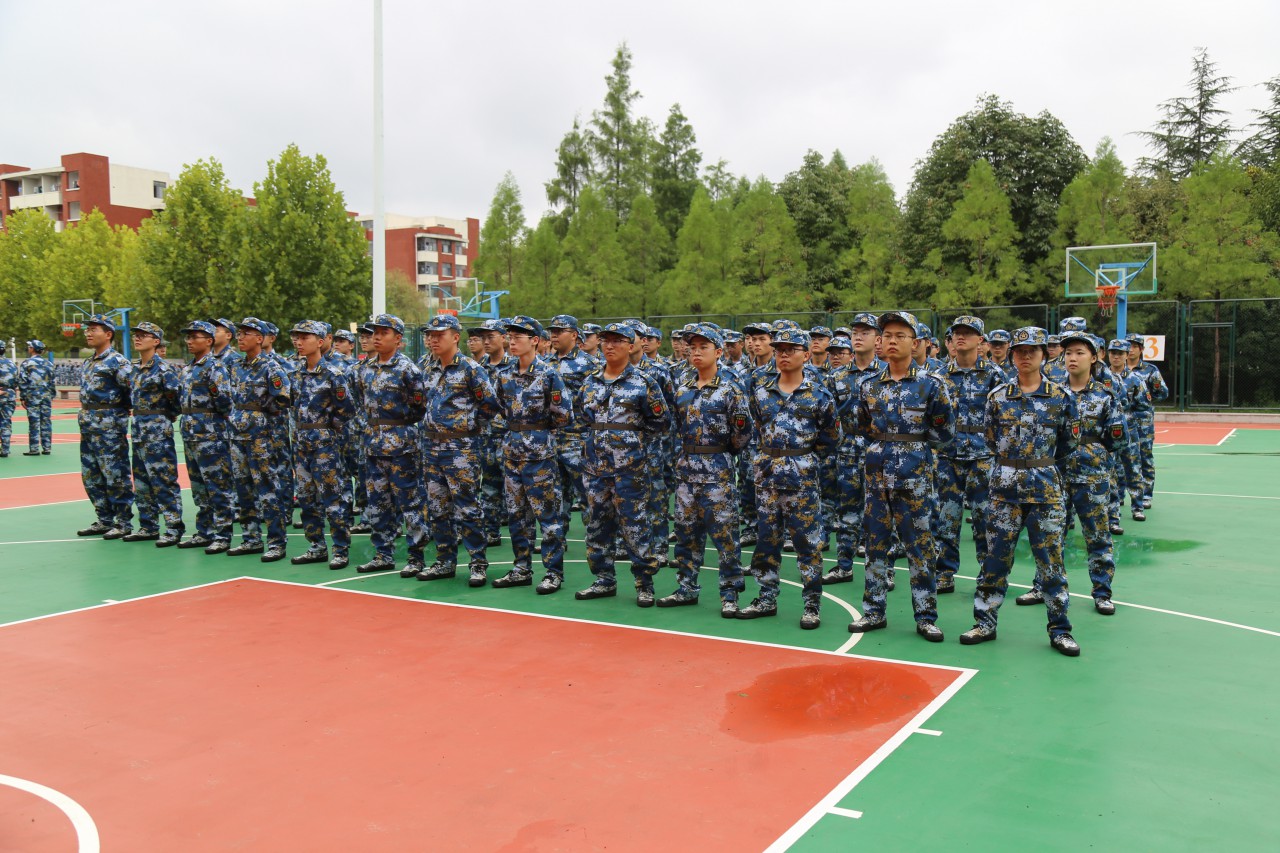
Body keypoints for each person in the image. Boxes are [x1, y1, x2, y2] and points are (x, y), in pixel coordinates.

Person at [960, 327, 1082, 657]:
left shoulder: (1060, 397)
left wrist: (1037, 464)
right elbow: (989, 439)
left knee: (1051, 564)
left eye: (1033, 350)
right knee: (994, 561)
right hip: (1004, 491)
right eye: (1020, 351)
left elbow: (1069, 443)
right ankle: (984, 623)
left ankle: (1060, 630)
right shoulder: (998, 396)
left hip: (1045, 490)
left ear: (1044, 355)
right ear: (1013, 355)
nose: (1025, 356)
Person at [847, 311, 953, 642]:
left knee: (920, 546)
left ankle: (926, 616)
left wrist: (912, 450)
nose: (892, 341)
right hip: (877, 476)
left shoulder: (931, 385)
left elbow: (944, 431)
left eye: (900, 335)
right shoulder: (868, 385)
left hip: (915, 476)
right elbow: (863, 426)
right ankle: (873, 611)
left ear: (916, 342)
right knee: (875, 544)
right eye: (888, 335)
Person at [1017, 332, 1124, 615]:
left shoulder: (1105, 396)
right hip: (1056, 475)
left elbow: (1117, 439)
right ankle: (1042, 586)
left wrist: (1092, 452)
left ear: (1094, 357)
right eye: (1068, 353)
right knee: (1049, 536)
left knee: (1097, 536)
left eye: (1079, 352)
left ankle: (1102, 592)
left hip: (1092, 476)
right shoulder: (1051, 393)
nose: (1072, 358)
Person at [742, 324, 841, 629]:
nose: (783, 355)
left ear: (806, 355)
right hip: (767, 477)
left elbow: (831, 438)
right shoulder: (761, 392)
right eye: (779, 350)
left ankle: (812, 604)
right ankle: (766, 597)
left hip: (802, 478)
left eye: (791, 350)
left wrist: (802, 457)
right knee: (767, 540)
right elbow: (756, 428)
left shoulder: (819, 395)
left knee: (807, 543)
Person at [575, 322, 672, 606]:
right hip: (595, 468)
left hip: (630, 469)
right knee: (597, 525)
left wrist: (631, 445)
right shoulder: (590, 381)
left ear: (631, 346)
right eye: (606, 340)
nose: (610, 345)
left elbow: (660, 422)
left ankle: (644, 583)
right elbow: (581, 417)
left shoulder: (644, 382)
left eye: (617, 341)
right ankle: (603, 580)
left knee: (635, 525)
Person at [662, 323, 753, 616]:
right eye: (693, 348)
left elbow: (742, 433)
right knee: (686, 533)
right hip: (687, 471)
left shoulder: (730, 389)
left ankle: (730, 594)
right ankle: (686, 587)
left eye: (703, 347)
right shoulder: (683, 389)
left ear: (718, 352)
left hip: (717, 471)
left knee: (725, 536)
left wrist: (721, 453)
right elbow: (676, 428)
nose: (696, 352)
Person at [416, 314, 501, 585]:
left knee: (467, 507)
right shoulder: (426, 367)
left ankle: (477, 563)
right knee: (437, 507)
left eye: (439, 335)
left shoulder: (470, 369)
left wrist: (468, 426)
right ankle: (444, 561)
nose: (433, 340)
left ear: (455, 337)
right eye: (430, 335)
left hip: (461, 448)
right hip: (431, 446)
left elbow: (490, 405)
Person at [491, 316, 574, 592]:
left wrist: (538, 432)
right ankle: (521, 568)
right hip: (512, 453)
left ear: (535, 341)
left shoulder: (548, 375)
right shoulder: (504, 375)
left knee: (548, 517)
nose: (512, 341)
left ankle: (553, 572)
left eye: (518, 337)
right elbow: (500, 410)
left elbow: (564, 415)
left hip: (539, 456)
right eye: (510, 337)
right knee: (517, 515)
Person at [932, 316, 1003, 595]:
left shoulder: (995, 375)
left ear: (980, 340)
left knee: (985, 519)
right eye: (956, 333)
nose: (961, 337)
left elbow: (1005, 414)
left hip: (982, 456)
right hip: (948, 456)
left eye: (968, 333)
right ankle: (945, 573)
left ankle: (987, 574)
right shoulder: (939, 375)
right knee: (946, 518)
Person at [354, 314, 429, 575]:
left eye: (383, 333)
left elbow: (419, 407)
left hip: (401, 446)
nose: (376, 337)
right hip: (373, 444)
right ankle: (383, 554)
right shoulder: (365, 368)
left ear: (398, 339)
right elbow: (361, 400)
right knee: (378, 502)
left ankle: (416, 557)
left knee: (410, 503)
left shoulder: (408, 370)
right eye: (375, 332)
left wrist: (398, 426)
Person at [288, 320, 358, 570]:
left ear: (319, 342)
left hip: (325, 446)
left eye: (304, 337)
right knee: (306, 498)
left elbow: (347, 410)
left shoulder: (333, 374)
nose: (299, 342)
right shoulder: (295, 374)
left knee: (332, 498)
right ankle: (316, 545)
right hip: (301, 444)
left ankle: (340, 549)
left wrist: (327, 429)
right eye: (297, 338)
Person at [824, 313, 885, 583]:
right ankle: (844, 565)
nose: (858, 337)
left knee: (881, 512)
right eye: (855, 333)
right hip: (847, 448)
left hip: (879, 447)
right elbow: (828, 416)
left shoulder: (887, 373)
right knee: (847, 510)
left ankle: (883, 570)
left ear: (878, 339)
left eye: (865, 332)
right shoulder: (836, 376)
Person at [226, 317, 292, 562]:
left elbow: (283, 397)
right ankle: (250, 538)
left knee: (267, 488)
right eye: (240, 333)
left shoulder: (271, 366)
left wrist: (261, 414)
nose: (241, 337)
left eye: (247, 333)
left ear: (260, 338)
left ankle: (276, 542)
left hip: (260, 436)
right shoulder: (236, 366)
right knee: (243, 488)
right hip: (237, 434)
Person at [175, 320, 236, 553]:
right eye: (188, 337)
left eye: (195, 337)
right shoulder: (188, 369)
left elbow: (225, 402)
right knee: (199, 487)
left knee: (218, 486)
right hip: (191, 434)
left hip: (211, 435)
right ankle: (204, 531)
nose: (189, 341)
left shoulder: (215, 367)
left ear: (209, 341)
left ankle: (222, 534)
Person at [75, 315, 135, 538]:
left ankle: (123, 522)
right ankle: (104, 519)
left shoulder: (118, 362)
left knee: (115, 474)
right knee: (91, 476)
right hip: (88, 426)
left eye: (94, 329)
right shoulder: (89, 362)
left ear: (108, 334)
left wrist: (116, 414)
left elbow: (132, 391)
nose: (88, 333)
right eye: (87, 329)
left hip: (109, 427)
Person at [125, 321, 184, 545]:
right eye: (136, 335)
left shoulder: (164, 369)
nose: (138, 338)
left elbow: (176, 400)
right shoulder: (134, 368)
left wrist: (163, 418)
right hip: (139, 429)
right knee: (141, 481)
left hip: (157, 430)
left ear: (156, 341)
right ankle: (148, 525)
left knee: (163, 479)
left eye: (144, 335)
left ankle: (173, 527)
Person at [546, 314, 595, 528]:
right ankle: (556, 538)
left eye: (559, 331)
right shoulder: (545, 364)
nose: (554, 335)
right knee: (554, 496)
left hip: (578, 439)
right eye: (552, 332)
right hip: (551, 438)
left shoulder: (589, 364)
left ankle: (595, 538)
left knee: (587, 494)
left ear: (574, 335)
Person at [1126, 332, 1168, 511]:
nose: (1131, 350)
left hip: (1143, 421)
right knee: (1119, 458)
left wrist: (1147, 396)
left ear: (1141, 349)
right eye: (1128, 346)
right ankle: (1118, 495)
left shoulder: (1150, 370)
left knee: (1144, 457)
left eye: (1135, 346)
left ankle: (1146, 495)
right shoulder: (1116, 369)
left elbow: (1163, 393)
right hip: (1122, 419)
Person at [18, 340, 55, 455]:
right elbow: (52, 381)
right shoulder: (49, 364)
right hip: (46, 396)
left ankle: (34, 448)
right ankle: (47, 447)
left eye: (29, 347)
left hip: (33, 396)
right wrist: (51, 395)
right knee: (46, 421)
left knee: (34, 422)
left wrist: (23, 397)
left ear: (32, 349)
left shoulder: (27, 363)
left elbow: (23, 381)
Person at [0, 341, 16, 457]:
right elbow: (16, 381)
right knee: (6, 422)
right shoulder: (11, 364)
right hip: (9, 394)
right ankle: (5, 449)